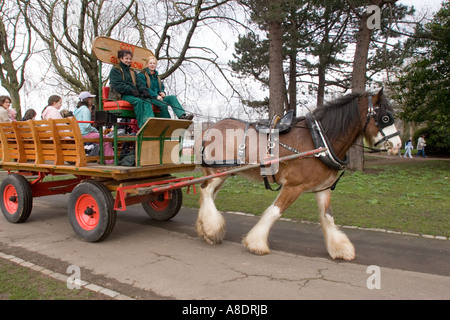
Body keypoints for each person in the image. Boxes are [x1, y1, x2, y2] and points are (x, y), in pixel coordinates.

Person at [109, 50, 154, 128]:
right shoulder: (115, 70)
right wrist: (131, 90)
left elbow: (139, 83)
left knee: (147, 100)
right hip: (120, 94)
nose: (128, 61)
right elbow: (119, 85)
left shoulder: (132, 71)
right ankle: (142, 126)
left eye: (130, 59)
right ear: (121, 59)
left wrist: (144, 90)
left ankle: (150, 123)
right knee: (138, 101)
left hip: (132, 94)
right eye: (126, 58)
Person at [73, 91, 114, 164]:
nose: (92, 101)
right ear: (88, 100)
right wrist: (95, 130)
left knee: (101, 139)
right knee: (106, 138)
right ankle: (110, 161)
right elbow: (86, 126)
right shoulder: (85, 110)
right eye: (91, 99)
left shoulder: (76, 111)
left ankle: (102, 158)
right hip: (85, 134)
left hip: (78, 134)